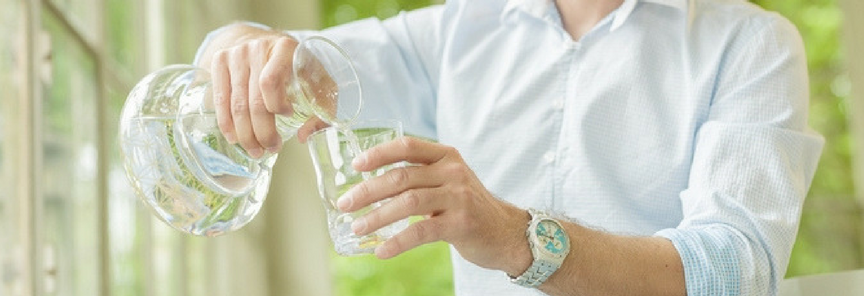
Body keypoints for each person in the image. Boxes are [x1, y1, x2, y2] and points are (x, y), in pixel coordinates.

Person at [193, 0, 824, 294]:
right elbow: (311, 68)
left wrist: (517, 236)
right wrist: (242, 44)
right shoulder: (456, 30)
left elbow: (732, 270)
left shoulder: (751, 41)